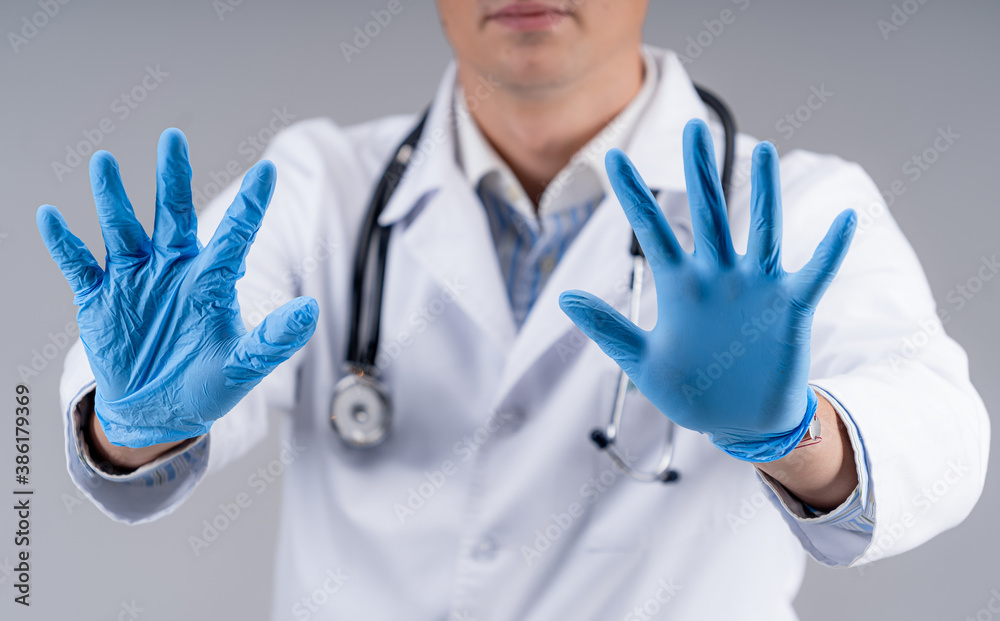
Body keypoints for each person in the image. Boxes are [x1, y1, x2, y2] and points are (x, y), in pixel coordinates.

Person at [38, 2, 989, 619]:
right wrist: (132, 423)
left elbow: (943, 438)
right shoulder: (316, 187)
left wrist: (795, 432)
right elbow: (179, 362)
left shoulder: (801, 206)